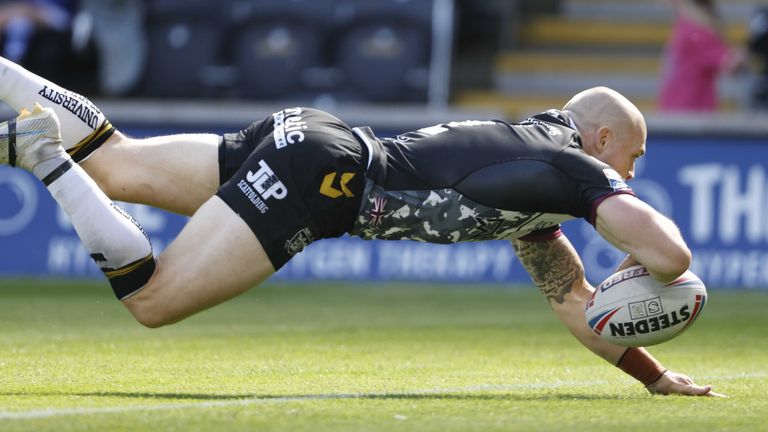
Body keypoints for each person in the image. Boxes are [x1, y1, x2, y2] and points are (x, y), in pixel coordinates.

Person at [0, 56, 721, 397]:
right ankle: (44, 158)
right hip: (328, 181)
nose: (634, 165)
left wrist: (652, 377)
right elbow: (669, 251)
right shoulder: (578, 170)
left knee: (118, 166)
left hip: (312, 134)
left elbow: (573, 300)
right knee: (152, 301)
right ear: (601, 141)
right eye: (636, 152)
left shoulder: (536, 174)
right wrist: (647, 272)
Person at [658, 0, 746, 112]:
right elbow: (732, 63)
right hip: (686, 112)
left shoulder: (691, 30)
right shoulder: (692, 30)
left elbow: (730, 63)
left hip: (685, 111)